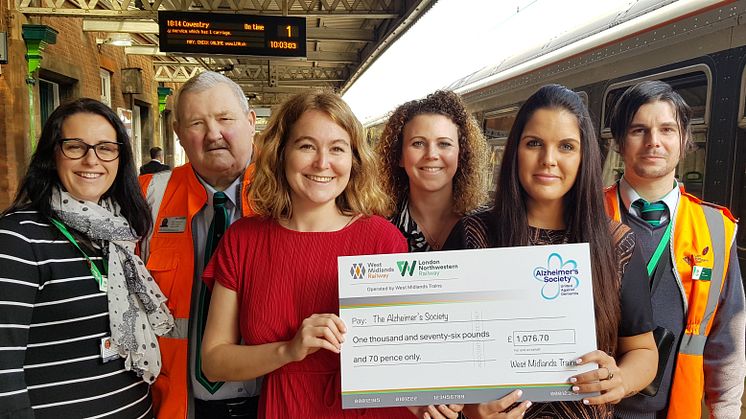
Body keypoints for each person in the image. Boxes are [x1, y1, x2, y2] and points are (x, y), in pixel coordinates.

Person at [200, 90, 432, 418]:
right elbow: (214, 362)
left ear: (353, 159)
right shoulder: (243, 241)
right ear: (281, 153)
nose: (322, 163)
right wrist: (289, 350)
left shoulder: (383, 239)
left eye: (337, 148)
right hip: (286, 408)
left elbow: (409, 352)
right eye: (307, 146)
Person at [445, 84, 658, 418]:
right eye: (534, 144)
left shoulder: (617, 244)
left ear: (583, 156)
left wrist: (622, 378)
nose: (549, 160)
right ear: (515, 151)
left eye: (566, 147)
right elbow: (444, 349)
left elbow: (643, 348)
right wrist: (471, 410)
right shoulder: (474, 236)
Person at [0, 98, 173, 418]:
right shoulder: (18, 238)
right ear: (53, 155)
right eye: (75, 147)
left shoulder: (118, 237)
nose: (92, 160)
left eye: (106, 148)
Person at [605, 80, 745, 419]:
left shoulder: (714, 228)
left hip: (674, 410)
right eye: (639, 130)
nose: (654, 141)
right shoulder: (588, 216)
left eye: (667, 129)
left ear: (684, 142)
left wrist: (724, 411)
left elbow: (728, 335)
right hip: (591, 406)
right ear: (620, 142)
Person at [138, 71, 259, 418]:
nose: (213, 134)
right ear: (178, 134)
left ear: (250, 122)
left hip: (271, 400)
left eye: (225, 119)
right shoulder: (147, 197)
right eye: (196, 123)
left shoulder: (288, 197)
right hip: (176, 404)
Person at [377, 90, 488, 252]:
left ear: (461, 154)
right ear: (399, 155)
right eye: (418, 143)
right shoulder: (378, 230)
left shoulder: (489, 226)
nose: (431, 155)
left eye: (444, 144)